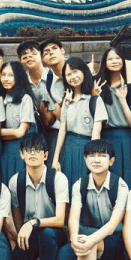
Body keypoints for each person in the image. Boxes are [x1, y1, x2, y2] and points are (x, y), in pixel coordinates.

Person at [48, 139, 129, 260]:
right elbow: (73, 218)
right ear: (85, 159)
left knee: (88, 244)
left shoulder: (121, 186)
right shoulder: (80, 184)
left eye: (102, 155)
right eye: (91, 155)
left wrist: (89, 240)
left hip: (116, 238)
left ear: (111, 160)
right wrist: (74, 236)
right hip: (88, 232)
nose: (96, 159)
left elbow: (113, 224)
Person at [9, 133, 69, 260]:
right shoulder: (15, 181)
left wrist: (33, 223)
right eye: (28, 150)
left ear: (46, 155)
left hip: (55, 232)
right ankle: (36, 257)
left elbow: (61, 219)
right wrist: (21, 233)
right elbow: (17, 211)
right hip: (31, 233)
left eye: (37, 150)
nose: (32, 154)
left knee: (47, 234)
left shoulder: (58, 179)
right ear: (21, 154)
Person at [52, 57, 107, 187]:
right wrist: (55, 159)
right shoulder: (66, 101)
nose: (73, 77)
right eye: (68, 74)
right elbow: (62, 130)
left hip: (87, 148)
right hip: (68, 149)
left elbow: (96, 132)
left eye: (75, 72)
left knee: (85, 187)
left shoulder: (95, 100)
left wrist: (94, 158)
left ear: (83, 71)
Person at [93, 46, 131, 187]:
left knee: (129, 181)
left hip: (128, 140)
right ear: (104, 63)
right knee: (110, 182)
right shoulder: (99, 88)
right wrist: (94, 96)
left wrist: (122, 99)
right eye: (110, 59)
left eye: (117, 58)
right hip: (106, 138)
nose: (114, 61)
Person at [0, 61, 36, 182]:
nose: (5, 79)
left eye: (11, 75)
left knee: (19, 183)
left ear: (19, 77)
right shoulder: (0, 98)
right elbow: (15, 132)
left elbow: (20, 132)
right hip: (3, 149)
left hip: (20, 150)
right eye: (3, 75)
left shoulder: (25, 99)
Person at [18, 41, 59, 134]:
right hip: (33, 130)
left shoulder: (54, 77)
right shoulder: (21, 81)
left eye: (33, 54)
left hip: (56, 130)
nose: (29, 57)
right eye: (24, 55)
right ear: (21, 60)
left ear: (41, 56)